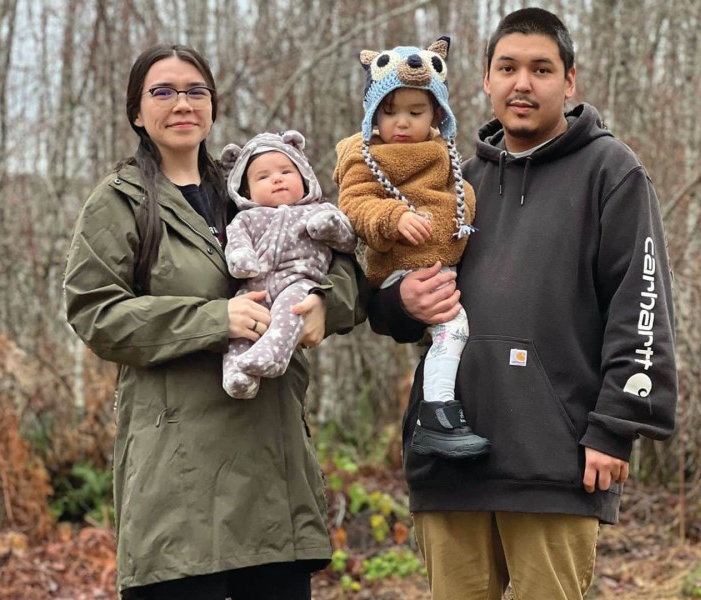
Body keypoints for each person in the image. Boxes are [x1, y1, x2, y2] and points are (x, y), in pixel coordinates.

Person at [368, 8, 678, 600]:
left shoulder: (612, 173)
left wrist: (615, 428)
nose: (522, 83)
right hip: (449, 461)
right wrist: (400, 299)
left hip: (554, 464)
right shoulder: (454, 180)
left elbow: (641, 309)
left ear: (570, 81)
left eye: (541, 68)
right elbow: (389, 293)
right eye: (507, 67)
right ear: (485, 79)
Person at [63, 44, 367, 600]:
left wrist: (326, 301)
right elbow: (94, 311)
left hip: (271, 475)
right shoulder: (121, 200)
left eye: (195, 91)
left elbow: (343, 263)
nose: (182, 103)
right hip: (178, 485)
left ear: (212, 106)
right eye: (163, 91)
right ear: (137, 110)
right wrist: (212, 319)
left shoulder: (248, 188)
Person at [335, 36, 490, 460]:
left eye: (415, 112)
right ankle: (436, 413)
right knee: (453, 328)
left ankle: (445, 409)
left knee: (448, 336)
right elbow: (355, 204)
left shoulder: (446, 154)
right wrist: (393, 218)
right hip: (405, 265)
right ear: (372, 115)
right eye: (389, 112)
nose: (401, 123)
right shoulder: (366, 156)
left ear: (437, 115)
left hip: (443, 263)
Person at [221, 130, 357, 399]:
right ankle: (237, 374)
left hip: (300, 281)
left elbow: (348, 240)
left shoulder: (317, 210)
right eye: (263, 176)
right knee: (239, 325)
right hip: (255, 287)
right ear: (245, 190)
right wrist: (242, 259)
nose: (277, 179)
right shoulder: (247, 218)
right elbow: (237, 242)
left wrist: (328, 227)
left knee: (291, 309)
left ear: (305, 177)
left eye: (286, 171)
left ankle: (273, 354)